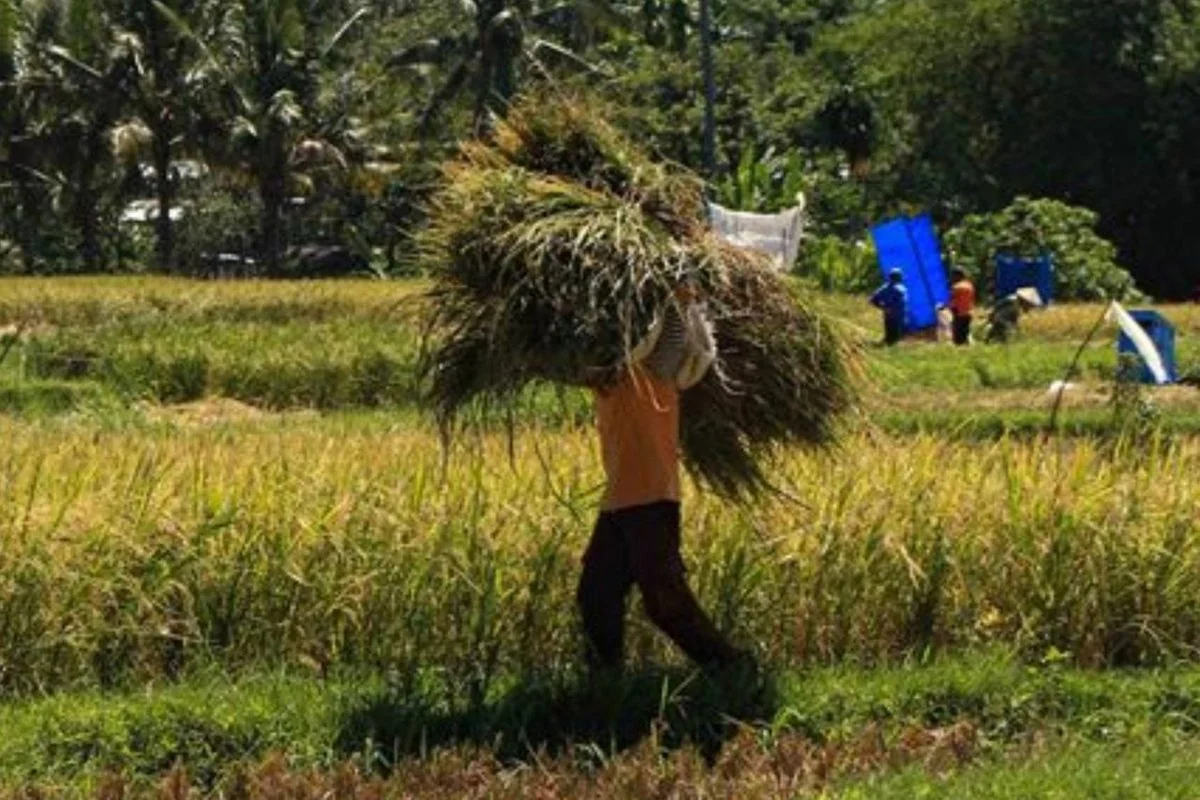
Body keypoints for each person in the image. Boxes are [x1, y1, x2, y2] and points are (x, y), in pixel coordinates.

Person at [578, 285, 743, 673]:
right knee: (596, 595)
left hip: (649, 495)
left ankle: (731, 667)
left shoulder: (653, 368)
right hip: (621, 498)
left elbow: (668, 327)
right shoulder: (608, 373)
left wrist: (676, 297)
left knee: (665, 602)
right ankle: (604, 684)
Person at [870, 268, 908, 346]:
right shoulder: (899, 289)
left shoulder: (885, 289)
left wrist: (883, 307)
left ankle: (890, 347)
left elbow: (873, 299)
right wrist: (883, 307)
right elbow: (873, 299)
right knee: (894, 339)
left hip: (893, 316)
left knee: (892, 338)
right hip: (895, 317)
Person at [945, 268, 976, 346]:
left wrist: (944, 306)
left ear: (957, 276)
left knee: (958, 338)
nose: (952, 277)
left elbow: (953, 301)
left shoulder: (956, 287)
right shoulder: (969, 285)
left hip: (959, 314)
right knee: (965, 334)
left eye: (953, 275)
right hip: (968, 313)